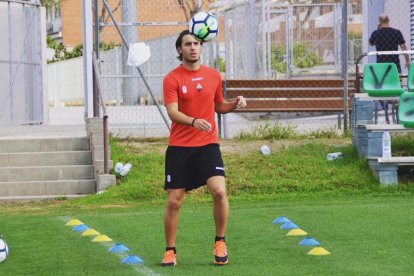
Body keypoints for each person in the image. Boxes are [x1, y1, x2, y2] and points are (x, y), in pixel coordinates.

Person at [161, 30, 246, 267]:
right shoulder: (172, 78)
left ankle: (220, 241)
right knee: (174, 201)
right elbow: (172, 111)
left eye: (196, 43)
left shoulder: (213, 76)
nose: (192, 47)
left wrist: (235, 104)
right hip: (180, 147)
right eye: (187, 44)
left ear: (201, 46)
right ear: (180, 49)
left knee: (219, 191)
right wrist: (193, 121)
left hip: (208, 144)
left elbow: (219, 105)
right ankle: (170, 250)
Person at [369, 13, 410, 122]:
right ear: (388, 21)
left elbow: (371, 43)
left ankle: (384, 104)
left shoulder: (376, 33)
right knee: (398, 85)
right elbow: (403, 47)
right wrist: (407, 59)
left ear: (380, 22)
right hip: (394, 66)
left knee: (382, 88)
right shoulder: (396, 32)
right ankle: (396, 104)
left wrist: (378, 30)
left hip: (381, 68)